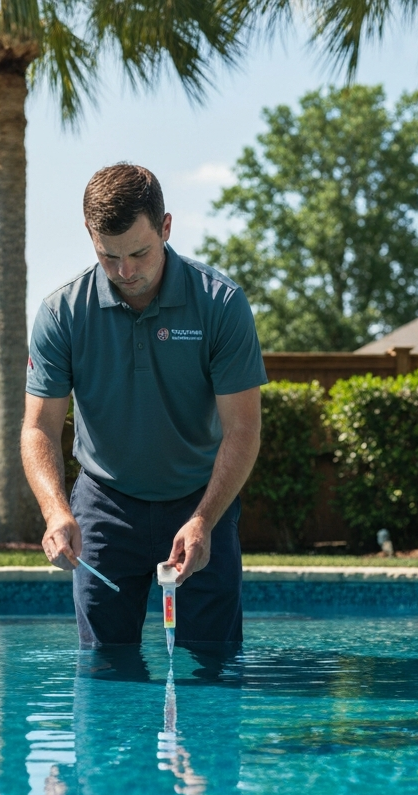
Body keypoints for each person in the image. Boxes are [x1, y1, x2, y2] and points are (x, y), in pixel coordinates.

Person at [21, 163, 266, 648]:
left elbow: (243, 428)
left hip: (201, 500)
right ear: (90, 235)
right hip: (104, 505)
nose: (125, 271)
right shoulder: (60, 313)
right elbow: (39, 428)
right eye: (108, 256)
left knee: (214, 664)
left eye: (139, 252)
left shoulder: (220, 303)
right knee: (104, 669)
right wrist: (55, 512)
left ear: (166, 227)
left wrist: (204, 518)